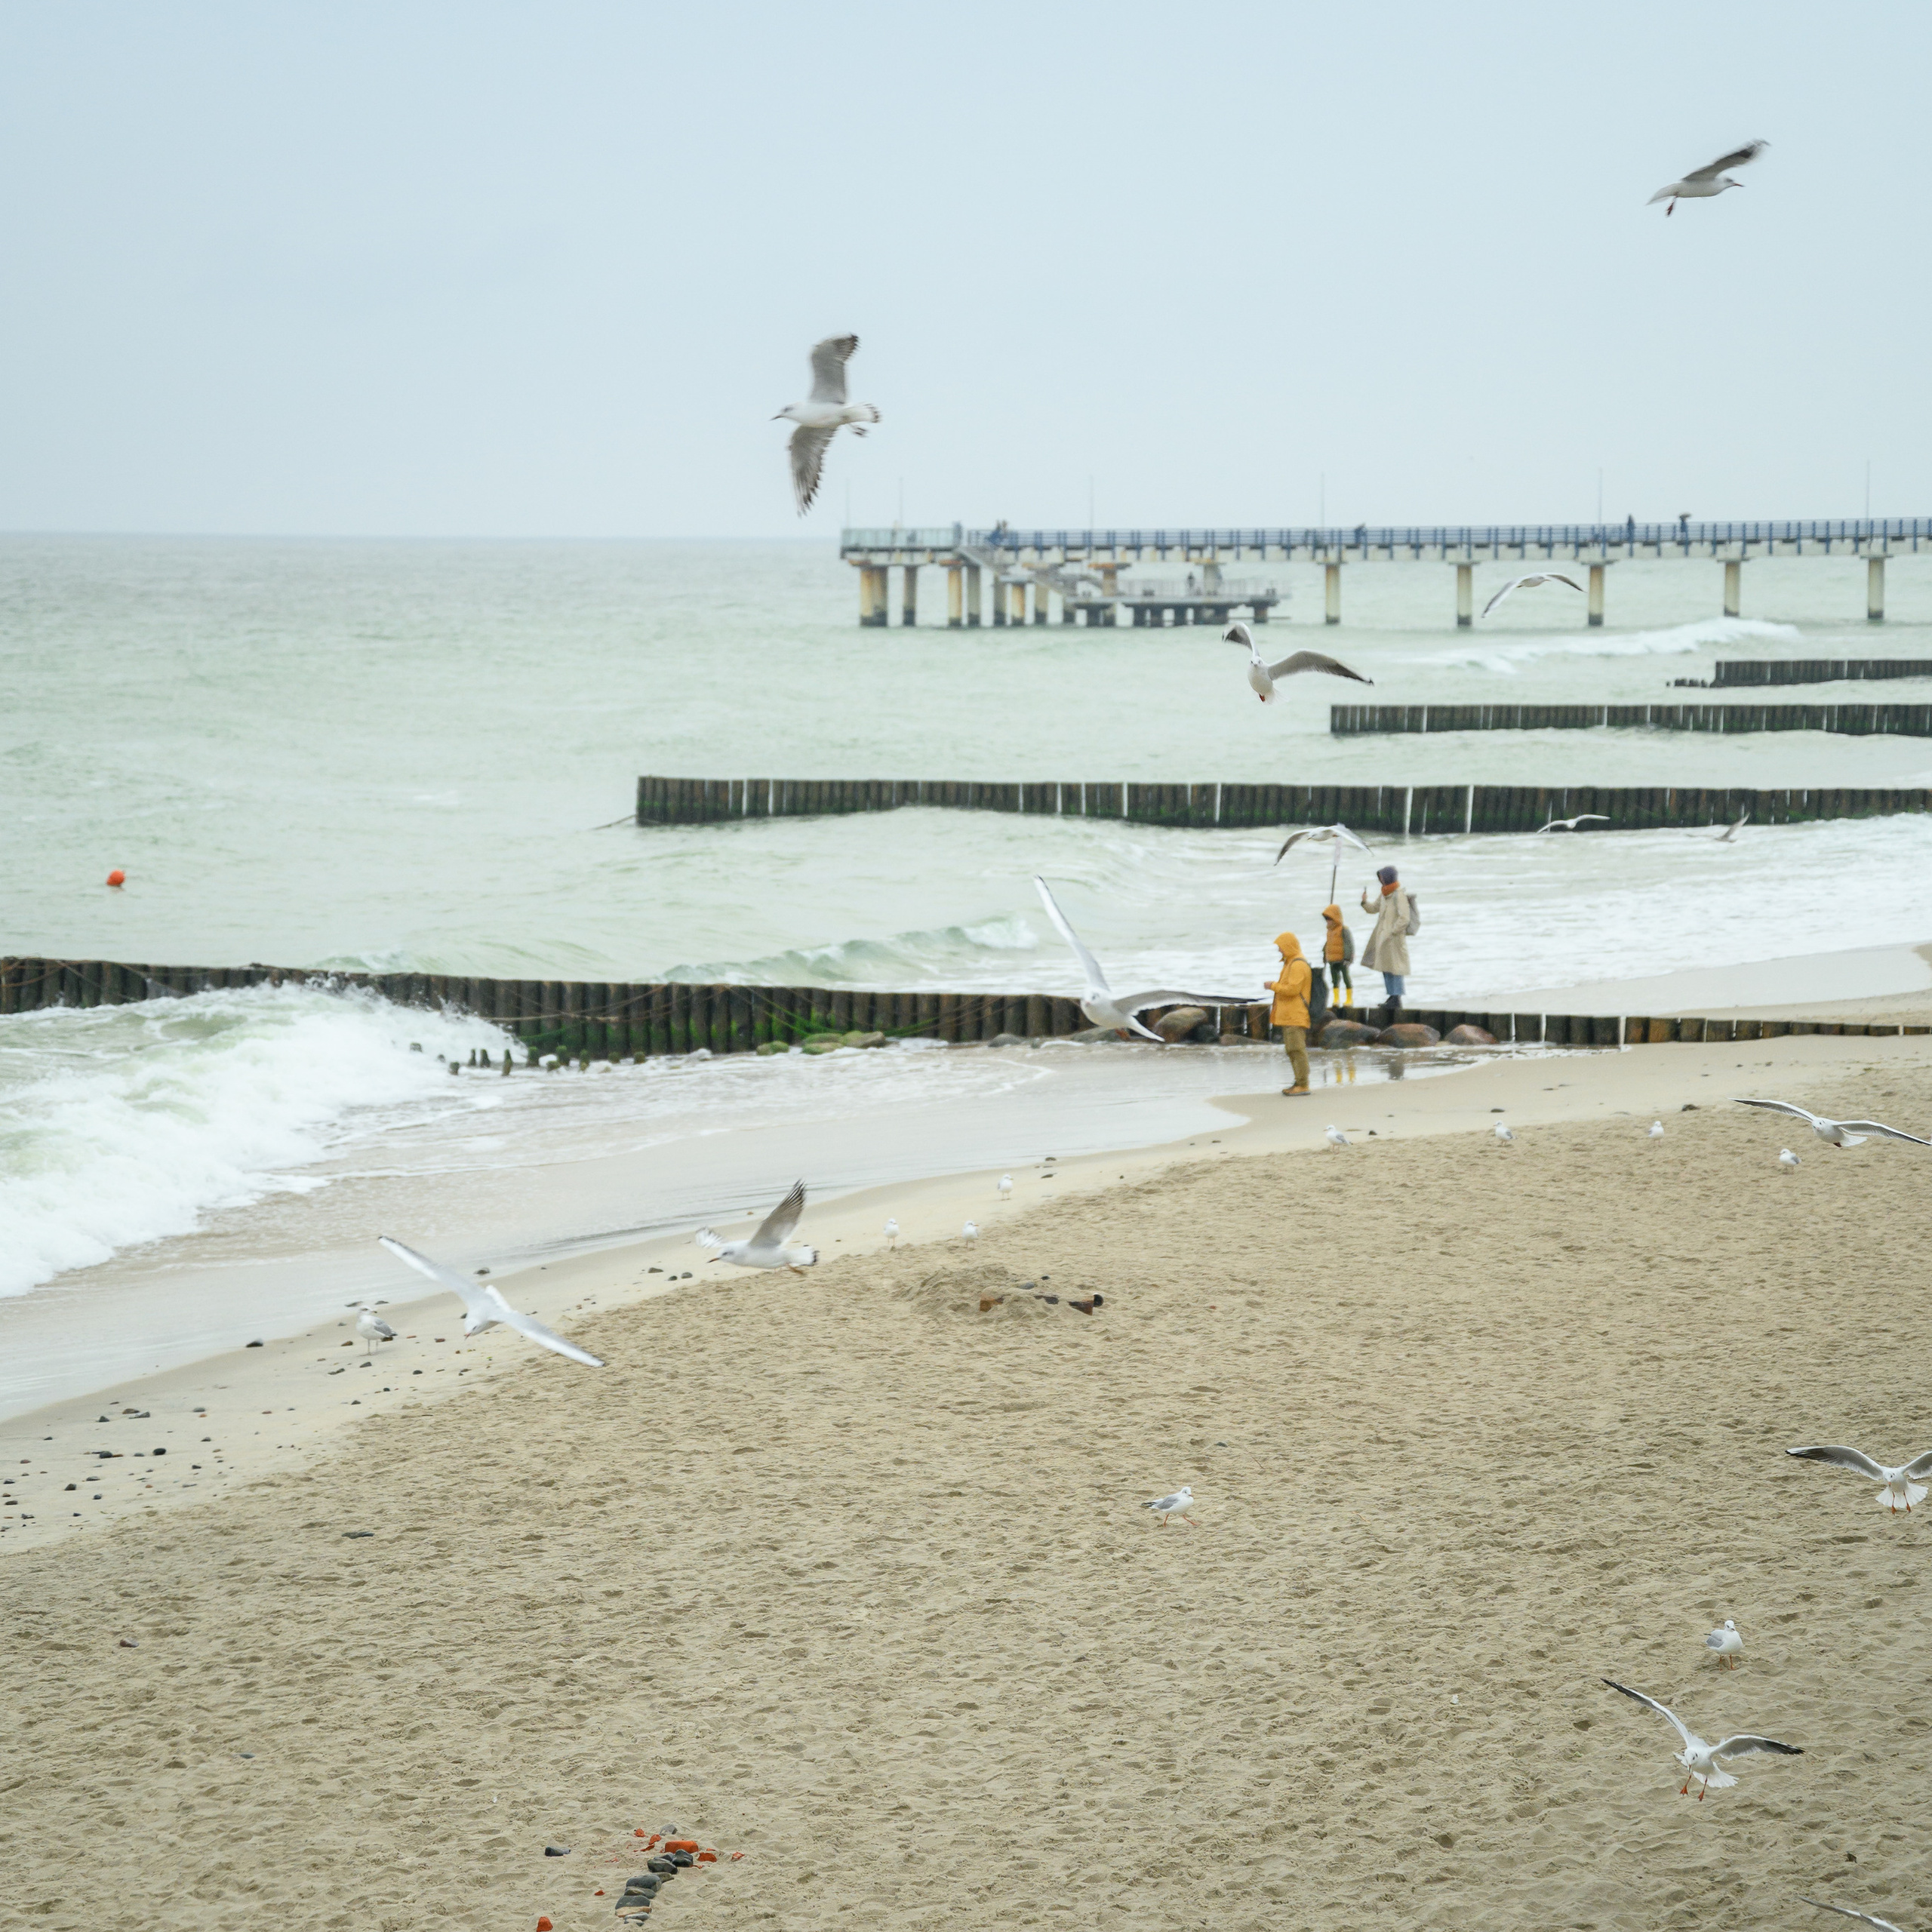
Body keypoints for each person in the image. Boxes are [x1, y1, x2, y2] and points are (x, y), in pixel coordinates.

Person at [1359, 865, 1417, 1016]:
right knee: (1386, 968)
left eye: (1383, 878)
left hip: (1394, 940)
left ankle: (1396, 998)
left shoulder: (1398, 895)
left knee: (1396, 969)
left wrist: (1392, 932)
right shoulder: (1384, 895)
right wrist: (1365, 902)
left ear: (1389, 878)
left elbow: (1404, 918)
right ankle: (1391, 996)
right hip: (1383, 939)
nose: (1381, 881)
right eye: (1380, 878)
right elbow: (1373, 909)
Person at [1266, 931, 1312, 1097]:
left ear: (1289, 946)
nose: (1280, 950)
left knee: (1297, 1049)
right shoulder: (1290, 962)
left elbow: (1293, 990)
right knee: (1292, 1049)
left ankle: (1303, 1084)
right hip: (1290, 1015)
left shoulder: (1298, 964)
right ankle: (1298, 1082)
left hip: (1296, 1014)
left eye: (1281, 947)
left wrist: (1273, 986)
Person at [1321, 903, 1355, 1007]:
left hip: (1342, 960)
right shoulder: (1329, 931)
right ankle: (1336, 999)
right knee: (1334, 980)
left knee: (1346, 979)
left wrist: (1348, 958)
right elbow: (1328, 944)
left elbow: (1349, 944)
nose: (1328, 921)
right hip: (1332, 960)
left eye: (1329, 919)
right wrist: (1325, 955)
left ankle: (1349, 999)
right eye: (1326, 919)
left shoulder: (1344, 930)